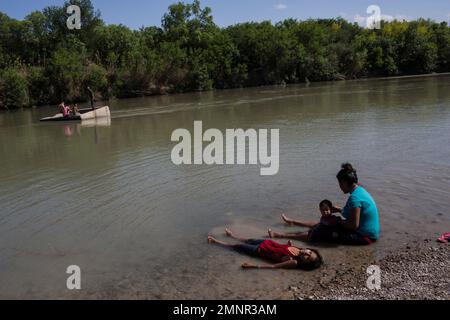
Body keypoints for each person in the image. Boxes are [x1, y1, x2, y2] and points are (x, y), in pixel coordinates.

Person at [269, 163, 380, 246]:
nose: (340, 187)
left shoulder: (355, 198)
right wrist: (339, 211)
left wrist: (338, 221)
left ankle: (282, 235)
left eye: (340, 184)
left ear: (345, 183)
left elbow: (353, 225)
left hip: (365, 237)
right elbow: (354, 215)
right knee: (325, 223)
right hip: (368, 233)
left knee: (320, 232)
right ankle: (293, 223)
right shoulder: (360, 191)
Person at [207, 228, 323, 270]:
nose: (307, 253)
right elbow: (282, 249)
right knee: (247, 239)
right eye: (310, 252)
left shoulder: (294, 262)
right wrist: (288, 244)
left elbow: (274, 266)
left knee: (236, 247)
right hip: (267, 242)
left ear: (304, 262)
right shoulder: (299, 249)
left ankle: (216, 242)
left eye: (307, 258)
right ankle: (232, 236)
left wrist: (254, 266)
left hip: (259, 251)